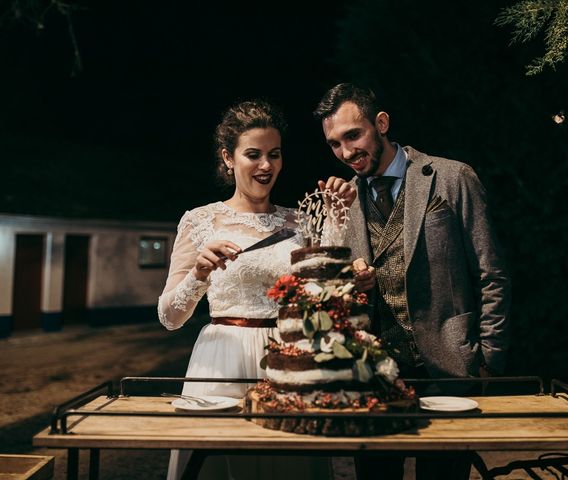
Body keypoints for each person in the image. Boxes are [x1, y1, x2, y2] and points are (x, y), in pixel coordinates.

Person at [315, 83, 511, 480]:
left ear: (381, 123)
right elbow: (327, 293)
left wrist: (488, 358)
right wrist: (351, 285)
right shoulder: (343, 203)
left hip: (450, 367)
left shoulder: (452, 178)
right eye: (335, 144)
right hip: (374, 374)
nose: (346, 152)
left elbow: (491, 273)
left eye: (354, 135)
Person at [158, 100, 332, 480]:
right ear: (228, 158)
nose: (266, 166)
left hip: (290, 360)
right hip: (223, 361)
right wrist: (199, 273)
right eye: (253, 154)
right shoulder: (200, 220)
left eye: (274, 154)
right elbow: (169, 317)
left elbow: (324, 295)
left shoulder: (301, 221)